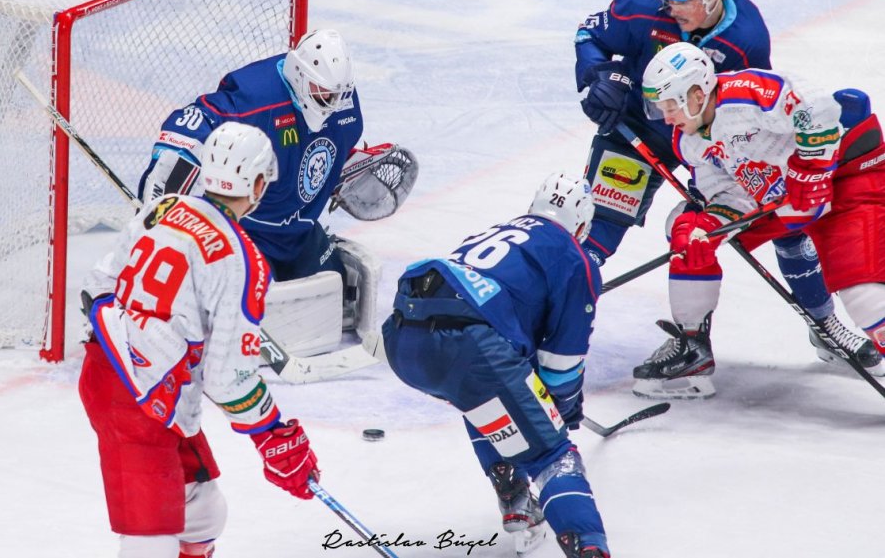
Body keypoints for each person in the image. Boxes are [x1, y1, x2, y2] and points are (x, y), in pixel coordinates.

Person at [573, 0, 871, 375]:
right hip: (639, 128)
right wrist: (600, 77)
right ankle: (554, 325)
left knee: (783, 220)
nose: (669, 8)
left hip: (711, 144)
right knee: (600, 222)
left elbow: (759, 112)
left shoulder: (746, 38)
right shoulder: (642, 7)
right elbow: (588, 36)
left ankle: (824, 323)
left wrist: (743, 180)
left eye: (682, 0)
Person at [79, 123, 320, 558]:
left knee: (204, 512)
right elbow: (230, 380)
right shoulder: (242, 261)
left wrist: (146, 333)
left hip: (131, 380)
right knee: (151, 540)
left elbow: (100, 283)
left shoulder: (163, 206)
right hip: (137, 399)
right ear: (259, 184)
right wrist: (271, 433)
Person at [634, 42, 885, 398]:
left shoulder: (745, 93)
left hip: (841, 182)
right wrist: (711, 227)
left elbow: (820, 108)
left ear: (697, 93)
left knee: (865, 299)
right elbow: (728, 193)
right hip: (784, 202)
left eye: (671, 106)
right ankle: (692, 347)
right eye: (660, 109)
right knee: (687, 233)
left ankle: (832, 325)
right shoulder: (689, 142)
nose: (667, 118)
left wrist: (811, 169)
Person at [382, 172, 610, 558]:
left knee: (483, 394)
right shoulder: (575, 256)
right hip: (469, 346)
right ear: (582, 226)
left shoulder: (496, 232)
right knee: (552, 454)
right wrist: (562, 410)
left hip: (402, 337)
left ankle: (514, 492)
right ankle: (588, 546)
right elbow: (560, 364)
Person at [138, 28, 417, 343]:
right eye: (323, 92)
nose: (332, 102)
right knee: (243, 311)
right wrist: (172, 168)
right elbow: (193, 122)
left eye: (338, 93)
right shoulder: (256, 98)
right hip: (248, 235)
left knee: (337, 298)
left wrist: (343, 168)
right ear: (299, 74)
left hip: (300, 233)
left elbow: (322, 151)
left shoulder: (343, 105)